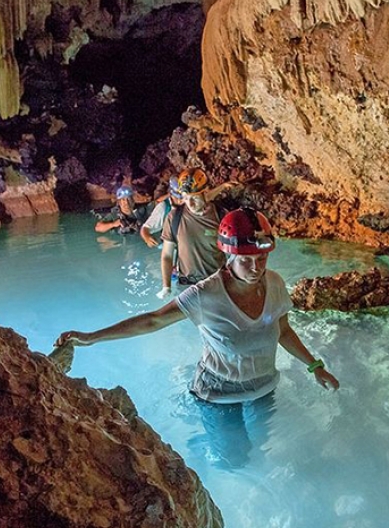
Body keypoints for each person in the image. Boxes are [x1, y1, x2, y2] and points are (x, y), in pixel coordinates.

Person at [55, 208, 339, 466]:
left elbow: (284, 330)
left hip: (264, 387)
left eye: (262, 258)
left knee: (261, 446)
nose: (256, 268)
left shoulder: (274, 283)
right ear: (229, 256)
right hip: (218, 394)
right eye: (246, 260)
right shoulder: (206, 295)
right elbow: (153, 320)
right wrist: (92, 337)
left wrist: (315, 366)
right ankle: (202, 446)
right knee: (234, 460)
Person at [155, 168, 225, 298]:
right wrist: (166, 286)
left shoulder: (221, 216)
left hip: (217, 284)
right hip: (187, 285)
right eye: (186, 198)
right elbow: (167, 255)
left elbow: (234, 255)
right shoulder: (174, 217)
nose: (190, 203)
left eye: (195, 198)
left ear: (206, 192)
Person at [140, 176, 183, 248]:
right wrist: (147, 237)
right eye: (177, 197)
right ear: (171, 195)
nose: (180, 201)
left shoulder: (190, 202)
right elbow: (145, 228)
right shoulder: (164, 207)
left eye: (182, 197)